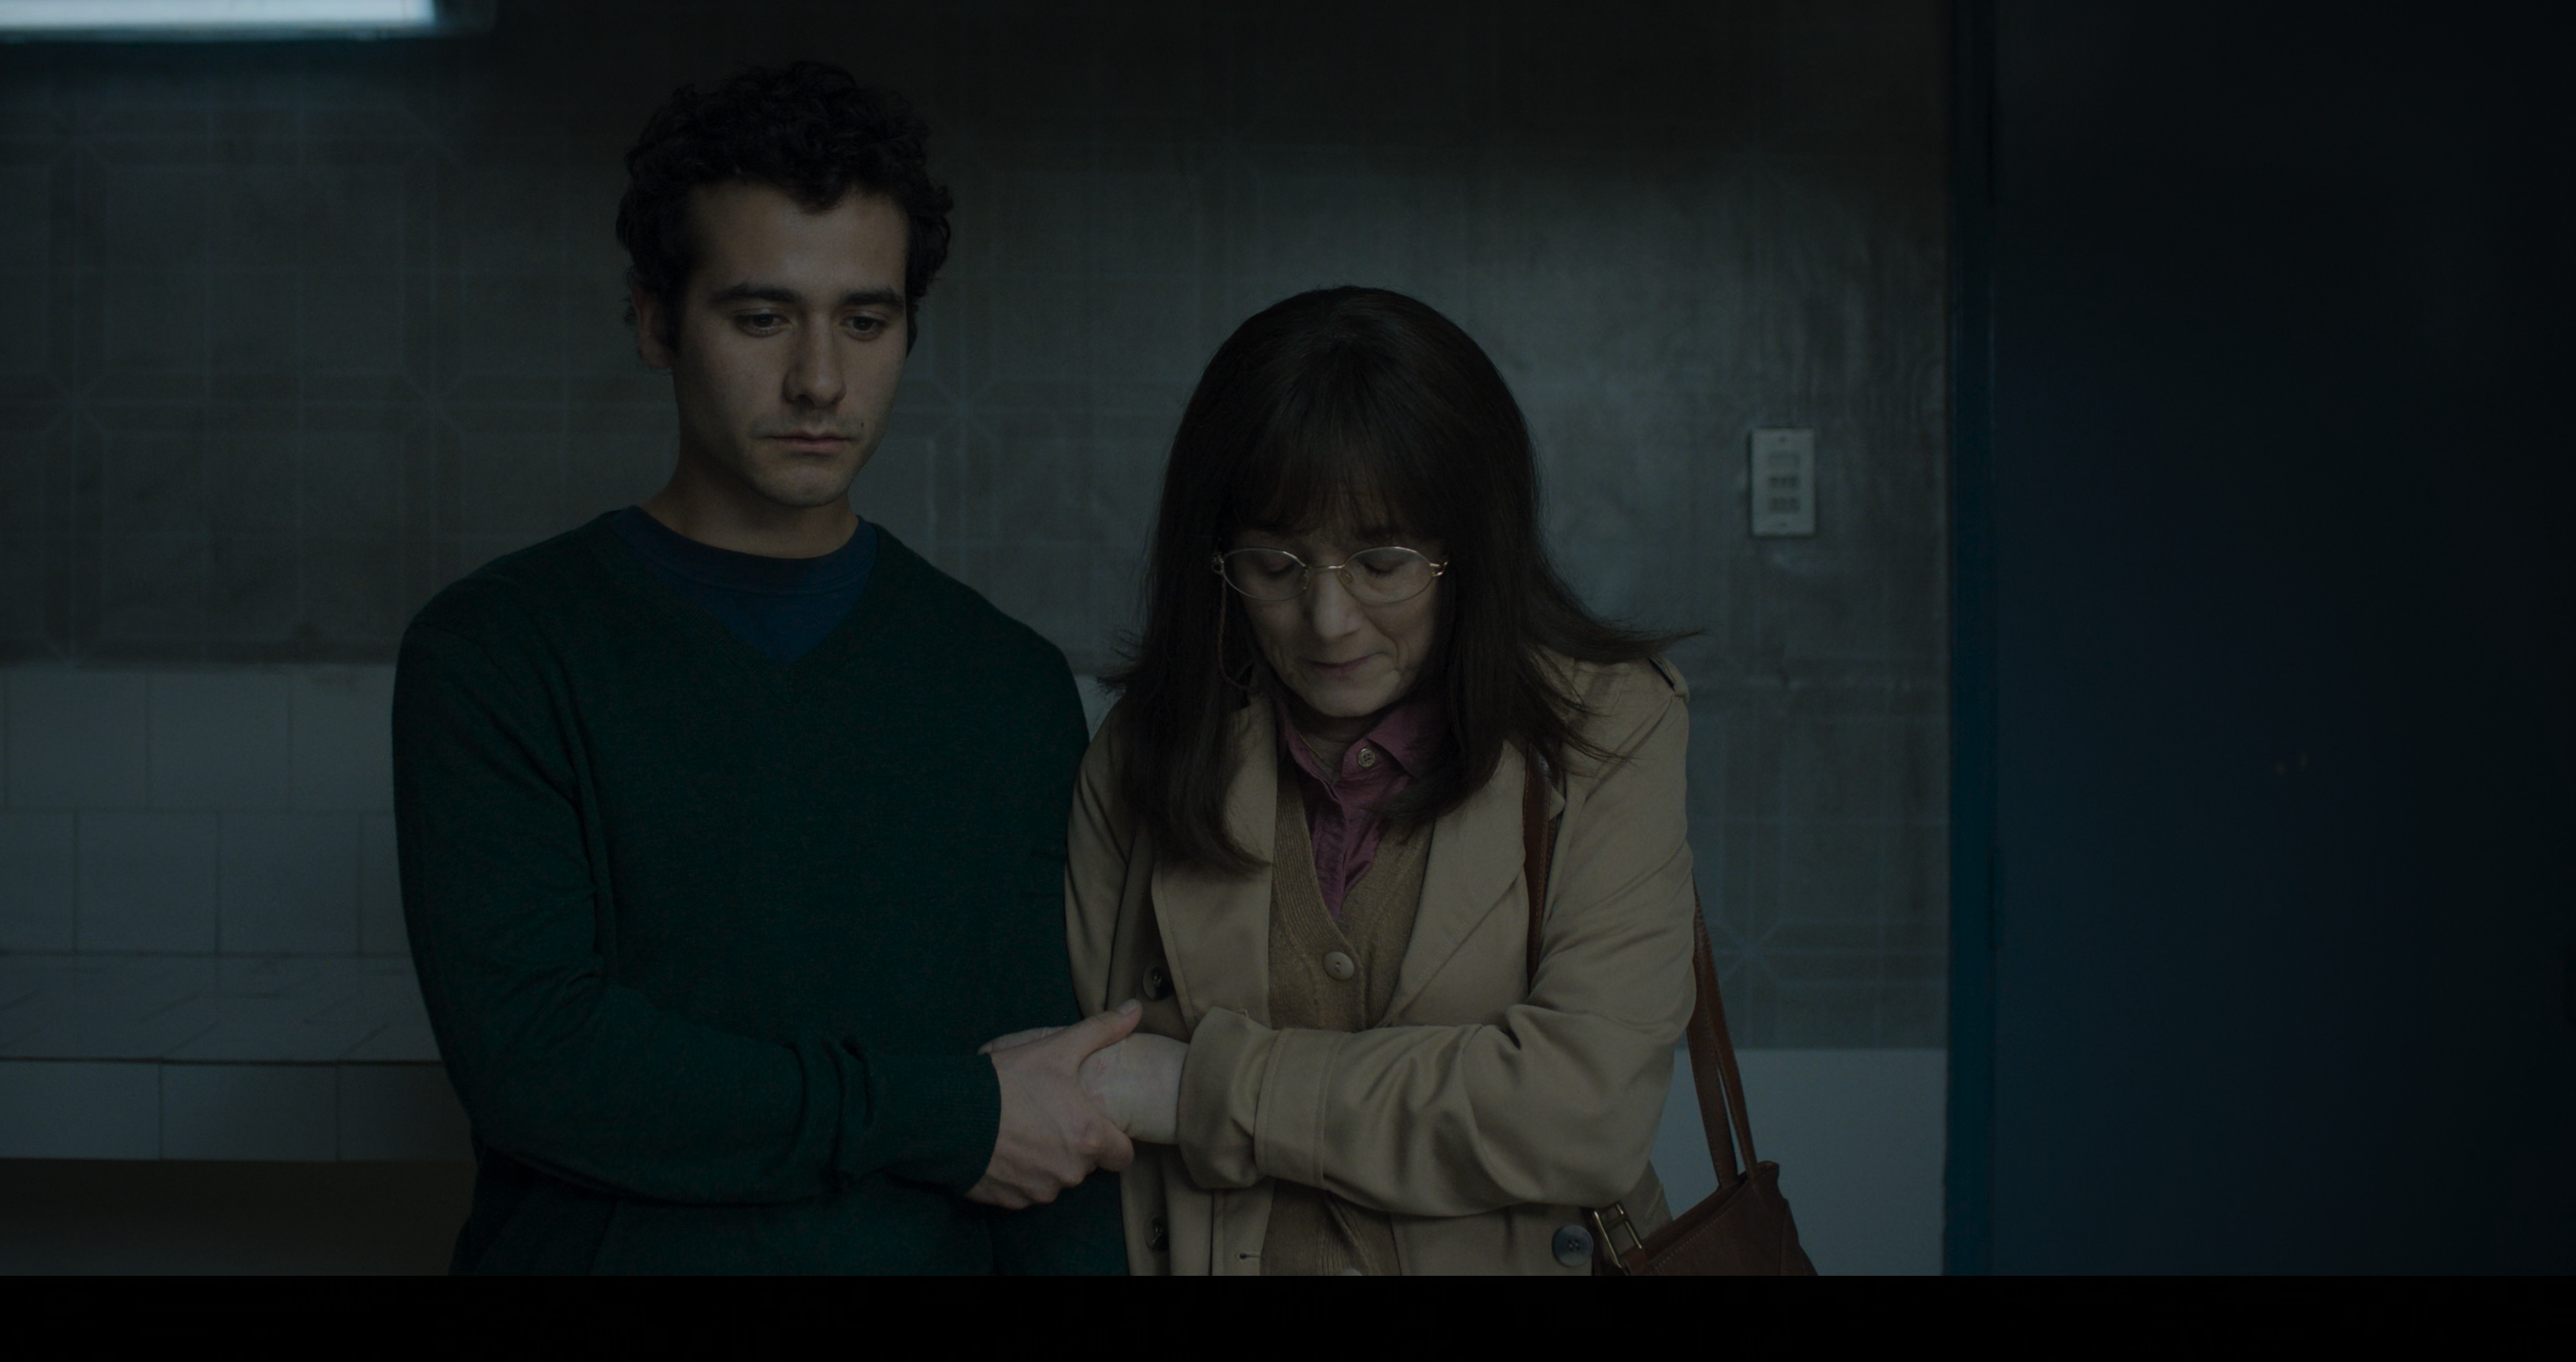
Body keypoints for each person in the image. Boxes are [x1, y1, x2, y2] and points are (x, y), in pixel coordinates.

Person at [394, 62, 1131, 1274]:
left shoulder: (1008, 686)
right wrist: (936, 1115)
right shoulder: (499, 654)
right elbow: (539, 1064)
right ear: (655, 323)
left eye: (864, 321)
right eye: (762, 318)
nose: (820, 381)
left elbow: (1048, 1107)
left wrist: (975, 1122)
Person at [1059, 287, 1696, 1275]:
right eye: (1276, 565)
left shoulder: (1607, 728)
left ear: (1469, 549)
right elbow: (1091, 1091)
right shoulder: (1146, 748)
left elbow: (1586, 1113)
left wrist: (1198, 1091)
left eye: (1383, 563)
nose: (1329, 621)